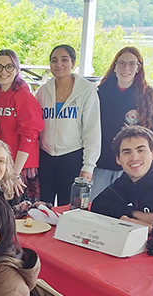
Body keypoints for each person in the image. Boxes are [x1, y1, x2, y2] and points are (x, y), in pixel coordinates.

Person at [93, 46, 153, 199]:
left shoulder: (147, 95)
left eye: (132, 64)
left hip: (132, 165)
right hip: (102, 163)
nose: (126, 68)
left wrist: (149, 161)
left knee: (127, 207)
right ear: (115, 66)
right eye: (122, 63)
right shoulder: (101, 93)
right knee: (97, 204)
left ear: (138, 68)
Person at [35, 45, 100, 206]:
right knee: (43, 207)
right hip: (46, 157)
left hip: (72, 157)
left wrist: (88, 165)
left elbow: (92, 131)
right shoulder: (42, 92)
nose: (59, 64)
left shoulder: (86, 91)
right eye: (54, 60)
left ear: (73, 63)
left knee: (69, 207)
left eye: (64, 59)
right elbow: (36, 128)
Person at [0, 49, 45, 203]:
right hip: (0, 166)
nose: (3, 71)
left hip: (22, 169)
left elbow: (30, 136)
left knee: (22, 213)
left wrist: (15, 174)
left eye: (9, 66)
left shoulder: (24, 96)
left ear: (17, 69)